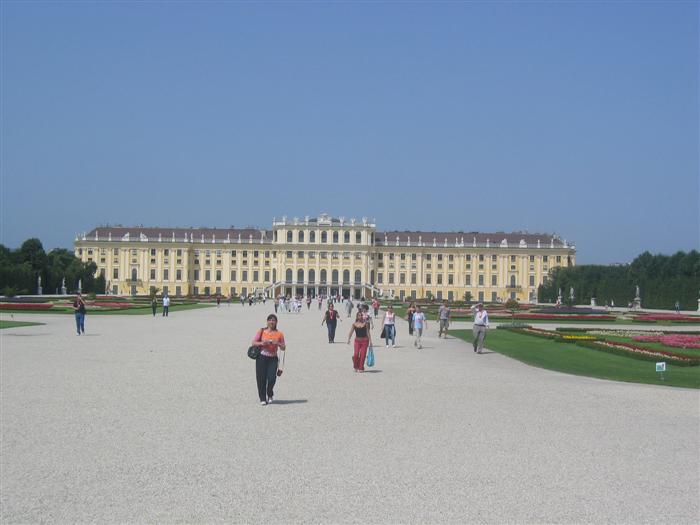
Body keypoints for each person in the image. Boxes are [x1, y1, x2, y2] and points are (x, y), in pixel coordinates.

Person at [251, 314, 286, 405]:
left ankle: (269, 393)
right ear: (267, 321)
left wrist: (277, 343)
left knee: (271, 378)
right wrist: (263, 343)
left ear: (276, 322)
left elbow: (283, 348)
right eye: (270, 320)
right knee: (261, 378)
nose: (271, 322)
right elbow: (253, 342)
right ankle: (262, 398)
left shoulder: (279, 334)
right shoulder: (261, 331)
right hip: (261, 357)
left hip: (273, 358)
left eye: (273, 320)